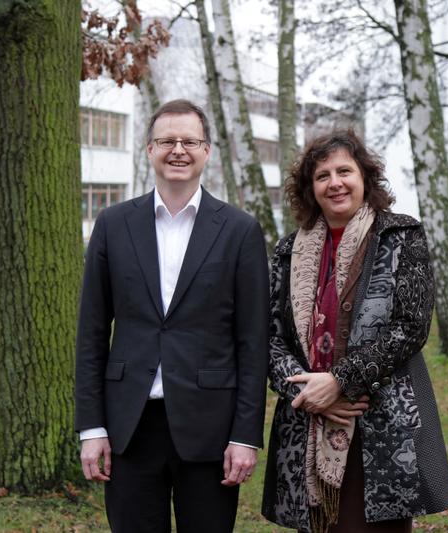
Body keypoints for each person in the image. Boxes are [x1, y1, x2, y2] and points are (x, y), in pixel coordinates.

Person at [75, 99, 269, 533]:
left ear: (207, 151)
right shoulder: (112, 225)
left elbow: (253, 343)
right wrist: (91, 428)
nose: (178, 149)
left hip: (211, 430)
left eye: (190, 140)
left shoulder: (240, 231)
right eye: (167, 140)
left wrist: (245, 435)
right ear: (149, 149)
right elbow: (91, 334)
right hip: (129, 427)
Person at [262, 130, 448, 533]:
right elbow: (271, 338)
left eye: (344, 171)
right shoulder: (286, 252)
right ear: (309, 189)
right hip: (308, 428)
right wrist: (308, 394)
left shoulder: (400, 236)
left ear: (365, 178)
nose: (335, 183)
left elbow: (411, 327)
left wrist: (340, 382)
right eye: (322, 175)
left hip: (380, 427)